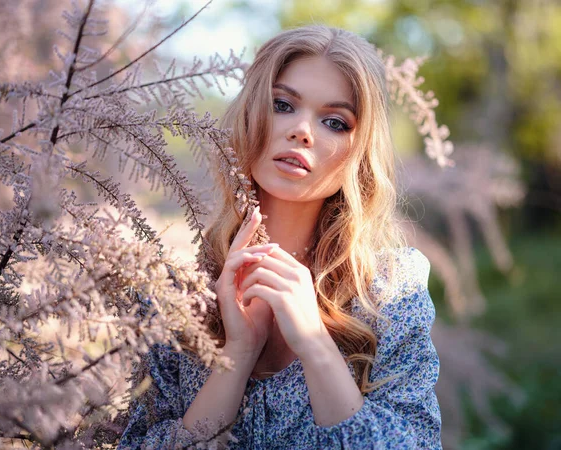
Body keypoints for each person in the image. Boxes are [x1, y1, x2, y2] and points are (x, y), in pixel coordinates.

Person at [119, 25, 442, 449]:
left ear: (359, 152)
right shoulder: (175, 295)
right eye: (283, 104)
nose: (302, 131)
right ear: (252, 113)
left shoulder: (391, 294)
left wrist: (314, 343)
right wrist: (237, 355)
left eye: (334, 121)